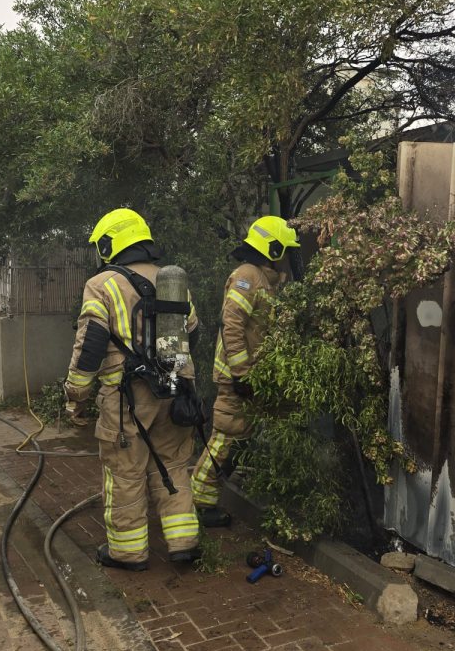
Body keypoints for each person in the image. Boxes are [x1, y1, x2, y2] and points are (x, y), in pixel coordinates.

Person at [63, 208, 202, 571]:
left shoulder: (102, 284)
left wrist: (76, 394)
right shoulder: (172, 280)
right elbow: (193, 333)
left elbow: (91, 344)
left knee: (125, 472)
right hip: (176, 391)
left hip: (127, 398)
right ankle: (183, 543)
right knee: (173, 464)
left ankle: (127, 552)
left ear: (109, 244)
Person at [191, 215, 298, 527]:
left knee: (240, 440)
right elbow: (232, 325)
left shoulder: (265, 279)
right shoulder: (247, 276)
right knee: (225, 439)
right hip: (237, 378)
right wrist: (241, 374)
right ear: (273, 249)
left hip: (253, 377)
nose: (288, 258)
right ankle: (200, 503)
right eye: (285, 251)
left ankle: (210, 496)